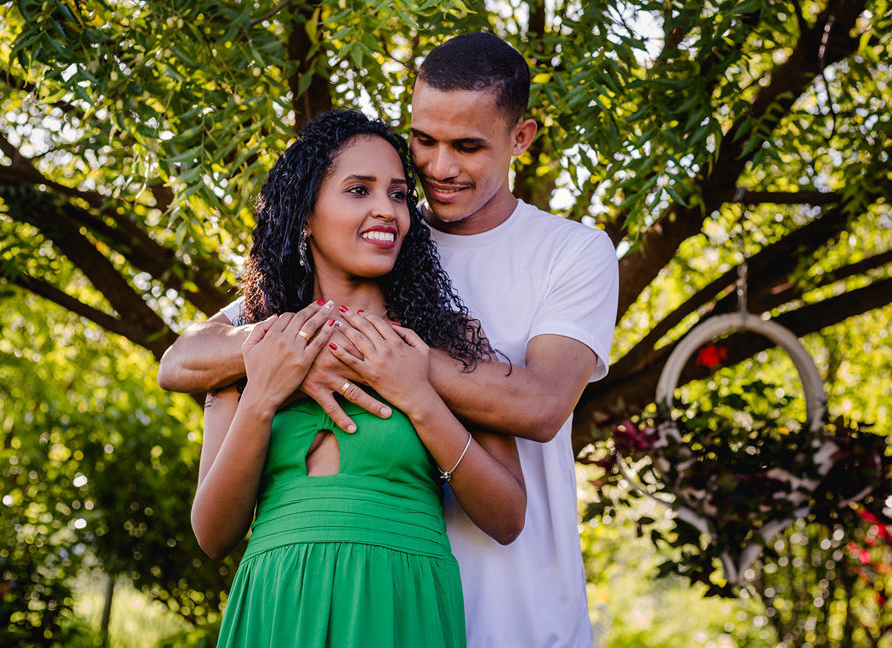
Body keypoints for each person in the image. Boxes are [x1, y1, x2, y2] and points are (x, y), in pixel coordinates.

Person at [161, 32, 619, 648]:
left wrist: (402, 370)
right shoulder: (358, 259)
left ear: (520, 139)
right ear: (307, 212)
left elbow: (539, 406)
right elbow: (185, 358)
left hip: (503, 610)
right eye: (423, 142)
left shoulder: (568, 254)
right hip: (290, 607)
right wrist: (299, 356)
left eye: (467, 146)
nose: (437, 167)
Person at [191, 109, 525, 647]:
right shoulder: (252, 346)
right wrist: (264, 396)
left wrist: (419, 397)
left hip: (401, 606)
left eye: (397, 194)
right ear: (303, 213)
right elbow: (212, 535)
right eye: (358, 190)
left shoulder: (448, 340)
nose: (385, 209)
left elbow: (508, 517)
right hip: (277, 608)